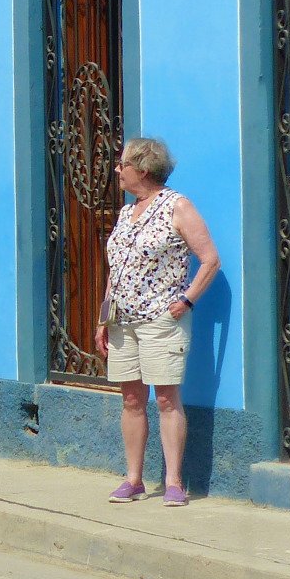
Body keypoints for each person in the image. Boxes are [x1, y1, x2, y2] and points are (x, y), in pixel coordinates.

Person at [93, 137, 219, 508]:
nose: (117, 170)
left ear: (143, 169)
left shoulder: (177, 206)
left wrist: (186, 300)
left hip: (160, 321)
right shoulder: (124, 213)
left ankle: (174, 482)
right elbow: (116, 270)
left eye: (122, 165)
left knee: (165, 398)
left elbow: (210, 259)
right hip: (123, 322)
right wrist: (104, 318)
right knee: (131, 398)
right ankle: (133, 479)